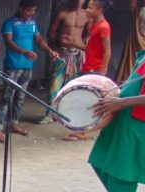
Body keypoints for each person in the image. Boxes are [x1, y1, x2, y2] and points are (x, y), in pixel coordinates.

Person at [87, 46, 145, 192]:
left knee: (122, 170)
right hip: (123, 116)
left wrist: (123, 102)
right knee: (99, 161)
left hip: (141, 122)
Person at [0, 0, 59, 143]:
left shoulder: (32, 23)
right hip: (12, 66)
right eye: (29, 10)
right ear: (21, 9)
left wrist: (49, 51)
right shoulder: (9, 23)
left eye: (33, 11)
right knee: (6, 97)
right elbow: (8, 42)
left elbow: (39, 39)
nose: (31, 13)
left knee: (20, 97)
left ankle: (13, 124)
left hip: (27, 67)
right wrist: (24, 52)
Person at [59, 0, 112, 142]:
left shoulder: (104, 27)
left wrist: (102, 73)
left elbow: (107, 51)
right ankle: (82, 130)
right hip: (88, 66)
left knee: (88, 100)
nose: (87, 10)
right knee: (85, 99)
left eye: (90, 7)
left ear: (99, 10)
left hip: (95, 69)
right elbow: (90, 48)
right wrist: (73, 42)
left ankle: (83, 132)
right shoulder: (95, 24)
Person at [42, 0, 88, 125]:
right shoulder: (62, 13)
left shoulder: (87, 15)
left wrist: (81, 43)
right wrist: (58, 43)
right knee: (54, 85)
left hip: (77, 55)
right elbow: (50, 33)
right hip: (62, 53)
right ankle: (50, 114)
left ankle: (65, 114)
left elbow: (88, 35)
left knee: (71, 86)